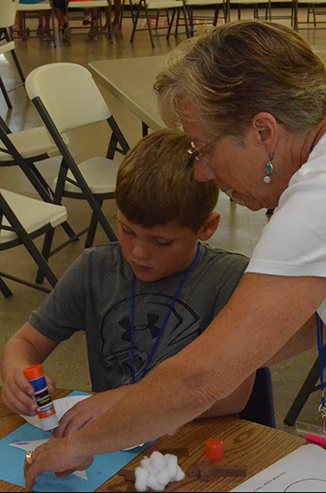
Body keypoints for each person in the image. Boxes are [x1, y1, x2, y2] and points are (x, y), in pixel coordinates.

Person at [22, 20, 325, 489]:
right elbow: (299, 325)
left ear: (264, 132)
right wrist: (143, 398)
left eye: (203, 149)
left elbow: (200, 379)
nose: (202, 173)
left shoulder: (314, 206)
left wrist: (80, 445)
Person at [1, 129, 252, 446]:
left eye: (161, 241)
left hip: (192, 441)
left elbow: (234, 397)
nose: (137, 252)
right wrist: (16, 373)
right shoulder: (96, 269)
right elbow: (24, 342)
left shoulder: (229, 279)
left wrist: (126, 402)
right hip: (111, 445)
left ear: (207, 227)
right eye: (127, 230)